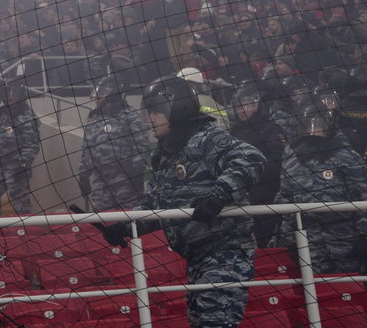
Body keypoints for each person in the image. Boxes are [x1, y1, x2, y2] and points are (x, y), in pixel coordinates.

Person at [100, 76, 266, 328]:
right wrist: (126, 226)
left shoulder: (206, 138)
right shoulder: (165, 154)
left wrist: (218, 196)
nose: (149, 119)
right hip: (196, 258)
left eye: (156, 111)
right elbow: (157, 205)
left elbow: (252, 159)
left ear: (176, 108)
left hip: (224, 253)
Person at [275, 94, 367, 274]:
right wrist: (287, 238)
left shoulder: (346, 157)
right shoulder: (291, 157)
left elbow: (362, 197)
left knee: (350, 296)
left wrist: (364, 236)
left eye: (318, 124)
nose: (314, 129)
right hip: (307, 244)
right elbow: (284, 198)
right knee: (312, 296)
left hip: (344, 243)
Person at [78, 75, 151, 211]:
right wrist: (83, 176)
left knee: (130, 222)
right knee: (102, 224)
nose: (97, 99)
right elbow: (87, 151)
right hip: (100, 183)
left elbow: (141, 148)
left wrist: (136, 174)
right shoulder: (94, 119)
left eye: (101, 95)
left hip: (126, 182)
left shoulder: (130, 117)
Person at [227, 82, 285, 247]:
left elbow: (278, 162)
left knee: (266, 243)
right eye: (238, 107)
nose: (242, 110)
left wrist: (251, 172)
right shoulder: (233, 133)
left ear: (256, 104)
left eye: (246, 105)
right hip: (238, 199)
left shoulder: (270, 129)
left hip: (264, 197)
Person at [0, 82, 40, 215]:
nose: (10, 97)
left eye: (13, 93)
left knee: (20, 203)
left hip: (17, 168)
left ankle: (26, 232)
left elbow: (31, 145)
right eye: (6, 93)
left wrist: (22, 165)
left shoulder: (27, 116)